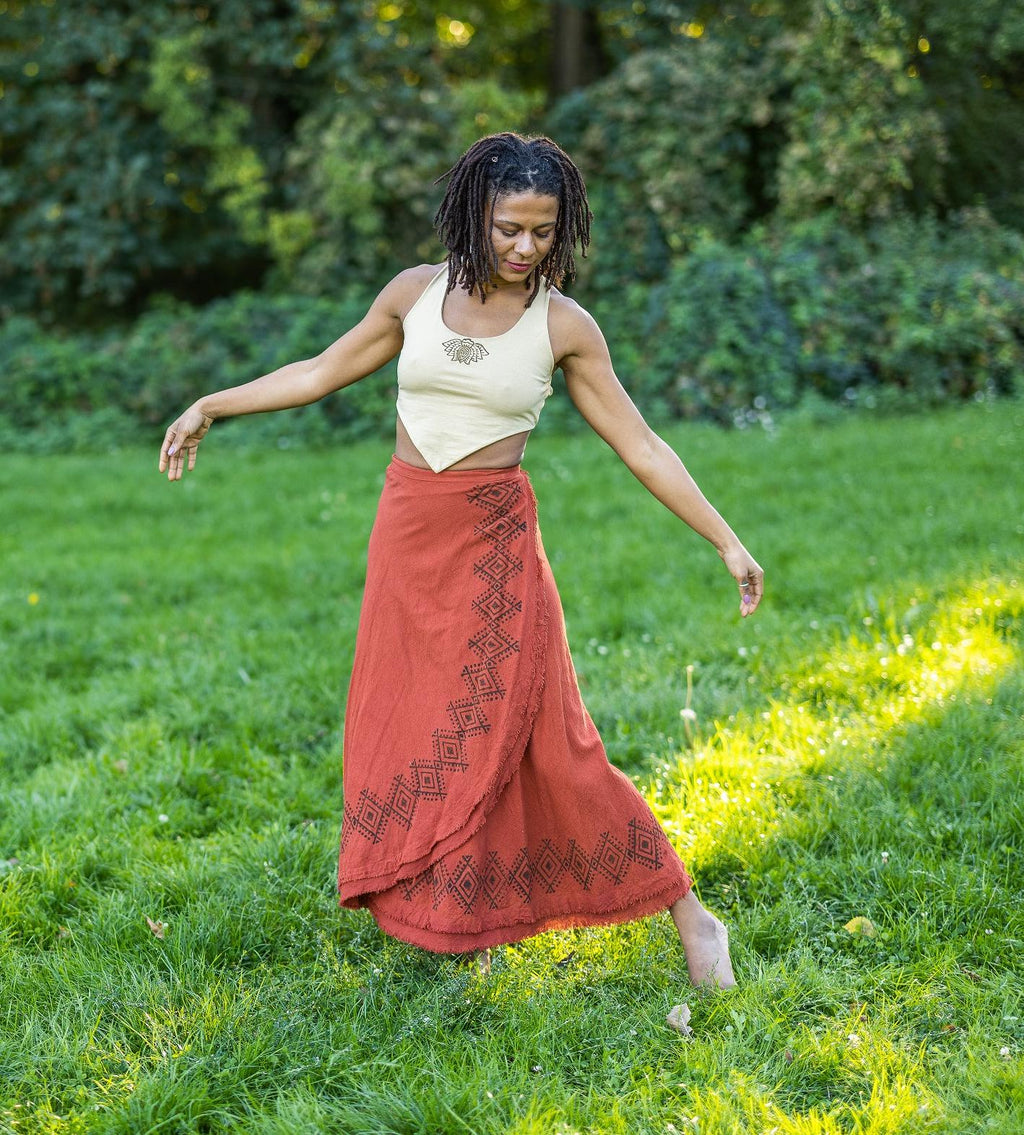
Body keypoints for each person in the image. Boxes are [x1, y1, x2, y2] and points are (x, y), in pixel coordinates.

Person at [159, 132, 763, 995]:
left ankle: (693, 918)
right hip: (408, 535)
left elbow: (642, 444)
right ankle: (464, 917)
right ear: (475, 216)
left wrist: (726, 538)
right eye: (510, 229)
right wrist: (212, 404)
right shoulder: (413, 294)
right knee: (412, 725)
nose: (524, 248)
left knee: (554, 745)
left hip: (495, 550)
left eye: (543, 232)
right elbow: (323, 369)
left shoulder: (564, 326)